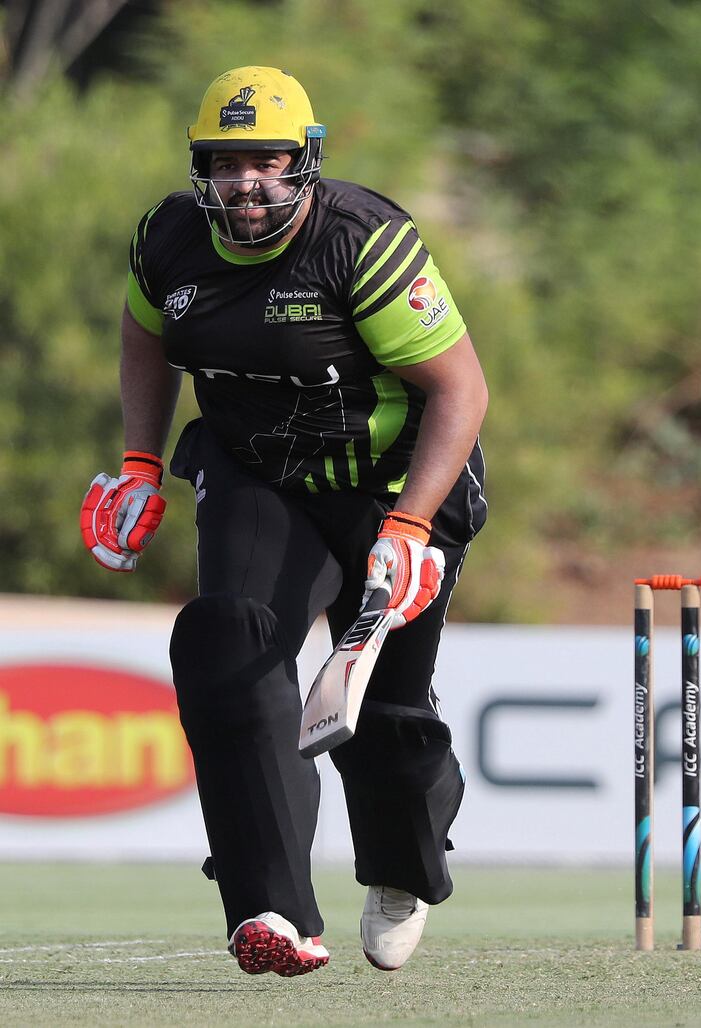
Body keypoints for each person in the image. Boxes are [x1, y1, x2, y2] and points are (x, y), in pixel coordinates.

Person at [80, 66, 488, 977]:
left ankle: (399, 871)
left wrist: (415, 525)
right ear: (202, 169)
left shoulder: (362, 242)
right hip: (256, 472)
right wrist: (141, 461)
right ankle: (271, 904)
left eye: (268, 159)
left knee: (384, 715)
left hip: (394, 483)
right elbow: (144, 333)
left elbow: (461, 389)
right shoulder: (168, 238)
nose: (248, 181)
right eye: (227, 163)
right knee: (230, 642)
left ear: (305, 161)